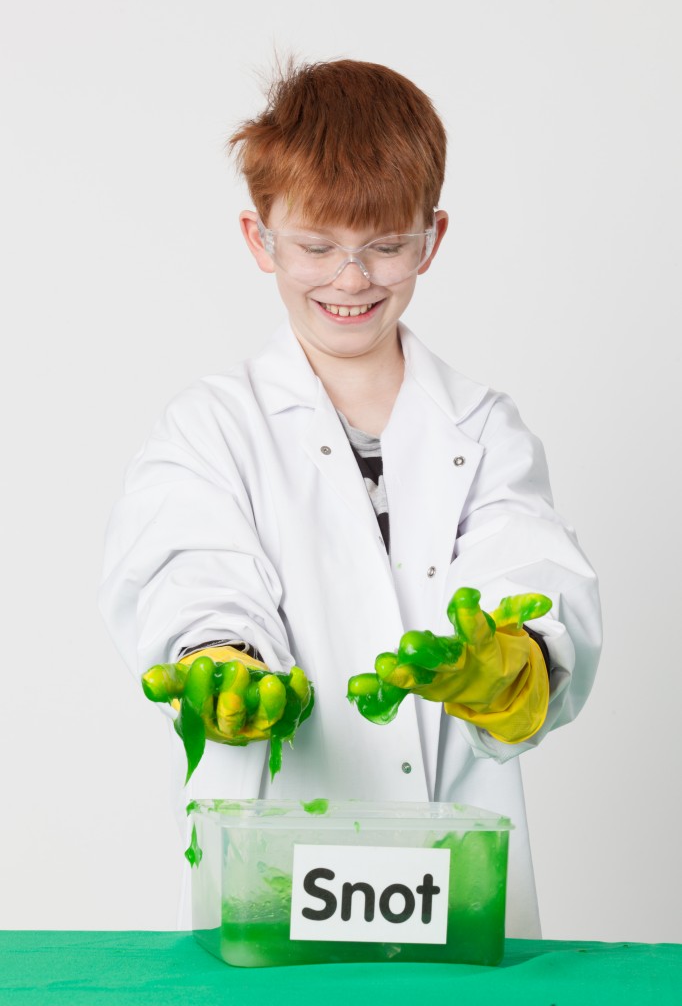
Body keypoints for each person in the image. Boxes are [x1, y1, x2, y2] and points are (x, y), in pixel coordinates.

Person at [99, 58, 601, 937]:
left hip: (453, 869)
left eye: (384, 245)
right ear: (260, 239)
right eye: (317, 246)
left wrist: (518, 653)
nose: (352, 277)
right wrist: (225, 656)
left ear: (431, 238)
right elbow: (192, 566)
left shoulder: (482, 430)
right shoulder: (213, 427)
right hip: (272, 870)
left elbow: (529, 555)